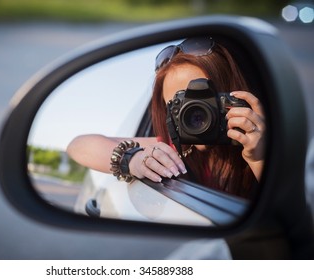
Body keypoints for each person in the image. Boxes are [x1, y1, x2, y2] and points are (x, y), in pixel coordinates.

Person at [67, 36, 265, 199]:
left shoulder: (262, 145)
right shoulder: (174, 151)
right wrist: (133, 160)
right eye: (177, 104)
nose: (194, 115)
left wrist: (260, 157)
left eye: (204, 101)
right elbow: (78, 146)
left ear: (232, 97)